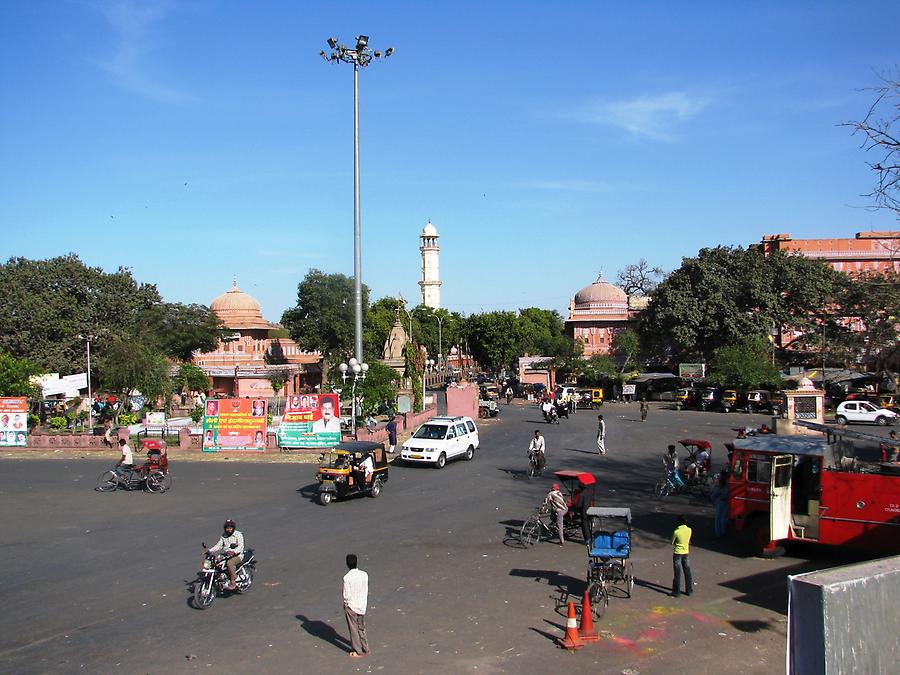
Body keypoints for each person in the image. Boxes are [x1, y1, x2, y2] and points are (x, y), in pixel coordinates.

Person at [342, 553, 370, 658]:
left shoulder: (347, 578)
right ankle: (366, 648)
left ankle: (357, 651)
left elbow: (346, 595)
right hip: (362, 605)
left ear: (347, 564)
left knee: (353, 629)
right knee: (361, 628)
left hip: (352, 606)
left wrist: (346, 605)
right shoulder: (364, 574)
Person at [206, 519, 244, 591]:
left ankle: (233, 581)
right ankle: (219, 578)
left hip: (237, 555)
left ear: (233, 528)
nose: (229, 529)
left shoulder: (238, 535)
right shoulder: (224, 536)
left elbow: (241, 547)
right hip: (226, 555)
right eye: (227, 528)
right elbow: (219, 545)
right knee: (215, 562)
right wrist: (209, 550)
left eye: (230, 528)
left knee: (229, 563)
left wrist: (234, 552)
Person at [671, 515, 693, 597]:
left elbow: (672, 542)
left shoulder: (676, 532)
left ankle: (676, 591)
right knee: (687, 571)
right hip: (686, 551)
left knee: (677, 572)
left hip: (677, 553)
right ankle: (689, 590)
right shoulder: (689, 530)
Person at [711, 472, 730, 537]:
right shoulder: (727, 486)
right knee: (723, 518)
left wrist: (713, 501)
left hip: (720, 502)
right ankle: (723, 532)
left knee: (718, 518)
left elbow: (713, 495)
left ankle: (719, 533)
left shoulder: (719, 487)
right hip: (725, 502)